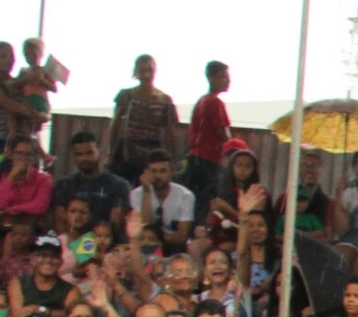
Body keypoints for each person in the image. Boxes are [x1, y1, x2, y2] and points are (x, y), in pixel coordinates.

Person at [106, 55, 180, 185]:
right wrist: (111, 154)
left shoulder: (165, 100)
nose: (146, 74)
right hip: (126, 153)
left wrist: (170, 160)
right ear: (136, 72)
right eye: (142, 70)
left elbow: (170, 133)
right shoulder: (126, 95)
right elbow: (115, 126)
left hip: (151, 155)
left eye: (149, 70)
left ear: (155, 71)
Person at [52, 131, 130, 234]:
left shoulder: (119, 185)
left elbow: (116, 225)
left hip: (105, 244)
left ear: (99, 152)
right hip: (71, 244)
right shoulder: (63, 185)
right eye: (79, 154)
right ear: (73, 157)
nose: (84, 158)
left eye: (89, 153)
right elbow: (60, 222)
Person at [182, 61, 232, 211]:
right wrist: (234, 149)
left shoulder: (201, 101)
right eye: (224, 77)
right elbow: (223, 132)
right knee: (208, 202)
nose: (228, 81)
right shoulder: (214, 102)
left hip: (195, 159)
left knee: (193, 201)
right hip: (208, 161)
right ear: (212, 78)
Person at [132, 150, 195, 253]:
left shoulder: (186, 196)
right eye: (153, 171)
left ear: (172, 172)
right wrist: (146, 192)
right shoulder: (136, 194)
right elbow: (144, 227)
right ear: (146, 172)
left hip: (175, 246)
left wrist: (155, 239)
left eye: (163, 171)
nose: (158, 176)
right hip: (146, 246)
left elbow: (182, 236)